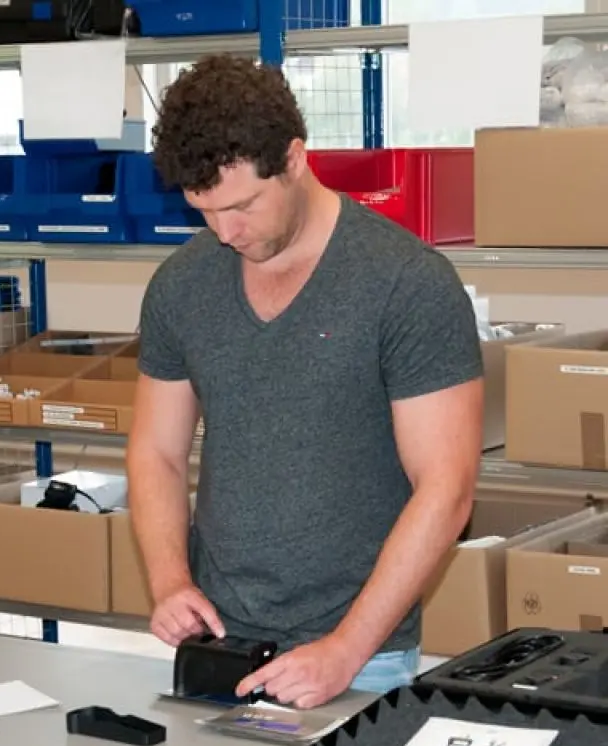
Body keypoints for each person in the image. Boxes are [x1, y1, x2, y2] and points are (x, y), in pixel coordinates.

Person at [125, 55, 484, 710]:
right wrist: (171, 580)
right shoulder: (180, 286)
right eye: (204, 210)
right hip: (220, 641)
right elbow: (157, 452)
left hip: (360, 658)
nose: (225, 232)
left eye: (243, 206)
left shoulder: (407, 284)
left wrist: (346, 649)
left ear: (294, 159)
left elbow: (446, 488)